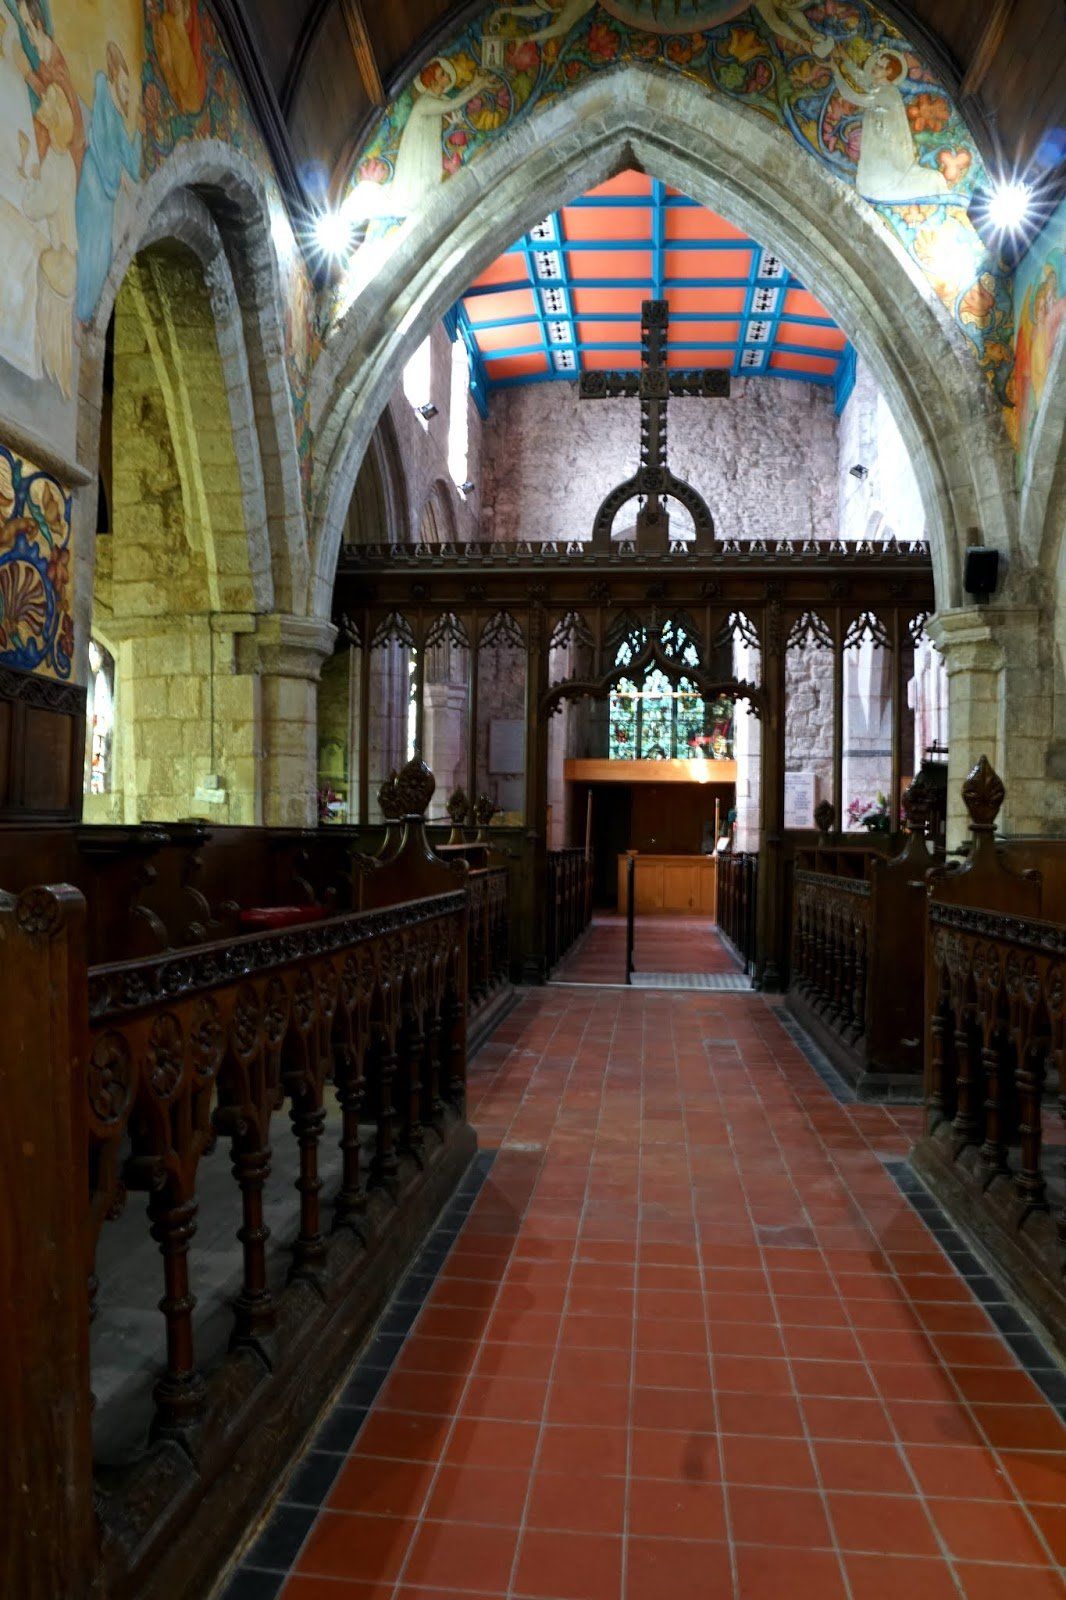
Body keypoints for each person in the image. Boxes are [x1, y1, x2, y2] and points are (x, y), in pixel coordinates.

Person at [75, 41, 142, 324]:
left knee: (101, 255)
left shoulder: (116, 117)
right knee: (90, 248)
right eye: (125, 88)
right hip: (93, 189)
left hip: (106, 198)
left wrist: (139, 131)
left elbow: (130, 160)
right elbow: (102, 149)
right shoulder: (102, 98)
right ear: (114, 79)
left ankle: (85, 317)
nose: (127, 96)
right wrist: (120, 176)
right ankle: (80, 314)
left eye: (129, 91)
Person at [831, 48, 948, 203]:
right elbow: (863, 80)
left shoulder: (887, 93)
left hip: (885, 150)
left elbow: (853, 96)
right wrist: (845, 57)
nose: (873, 67)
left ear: (888, 72)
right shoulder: (881, 88)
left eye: (879, 66)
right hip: (878, 145)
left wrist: (835, 72)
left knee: (881, 181)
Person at [387, 57, 496, 216]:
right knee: (422, 182)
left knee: (430, 179)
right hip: (419, 151)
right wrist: (479, 87)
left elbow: (456, 99)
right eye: (442, 74)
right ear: (433, 82)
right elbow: (453, 105)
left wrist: (477, 83)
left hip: (428, 147)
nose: (447, 76)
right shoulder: (426, 102)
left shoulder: (437, 97)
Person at [21, 80, 75, 396]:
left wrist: (29, 165)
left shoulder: (58, 163)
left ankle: (23, 349)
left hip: (60, 261)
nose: (39, 108)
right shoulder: (62, 158)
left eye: (45, 105)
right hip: (61, 254)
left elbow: (33, 204)